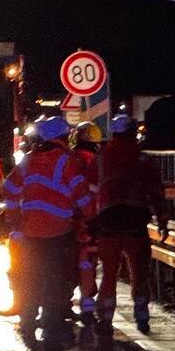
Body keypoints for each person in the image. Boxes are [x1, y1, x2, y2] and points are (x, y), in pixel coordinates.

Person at [1, 115, 92, 351]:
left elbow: (9, 189)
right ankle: (52, 330)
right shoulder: (68, 162)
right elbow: (82, 195)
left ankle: (27, 322)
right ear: (61, 137)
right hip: (58, 232)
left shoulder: (29, 161)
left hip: (29, 232)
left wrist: (15, 218)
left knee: (30, 278)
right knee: (55, 282)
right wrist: (91, 219)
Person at [93, 114, 168, 338]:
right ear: (133, 132)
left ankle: (105, 319)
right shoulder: (142, 158)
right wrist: (163, 220)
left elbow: (90, 187)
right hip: (135, 223)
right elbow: (156, 191)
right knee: (139, 274)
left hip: (108, 222)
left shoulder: (101, 157)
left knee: (108, 274)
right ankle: (142, 316)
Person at [70, 122, 104, 323]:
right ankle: (88, 307)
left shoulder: (69, 158)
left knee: (69, 262)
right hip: (90, 218)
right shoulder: (95, 161)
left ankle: (62, 305)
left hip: (66, 218)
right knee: (87, 262)